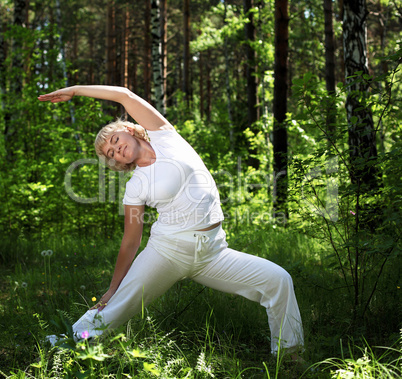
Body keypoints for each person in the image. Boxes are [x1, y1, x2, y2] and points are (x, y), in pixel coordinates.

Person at [38, 85, 304, 355]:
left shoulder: (166, 138)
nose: (117, 150)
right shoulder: (136, 186)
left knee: (278, 280)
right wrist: (112, 289)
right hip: (168, 251)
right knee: (115, 310)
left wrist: (76, 91)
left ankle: (289, 357)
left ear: (128, 129)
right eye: (111, 153)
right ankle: (63, 346)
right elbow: (131, 242)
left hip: (213, 252)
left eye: (115, 141)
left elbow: (124, 95)